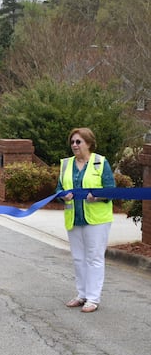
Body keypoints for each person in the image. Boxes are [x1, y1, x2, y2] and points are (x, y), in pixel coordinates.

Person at [56, 127, 115, 313]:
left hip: (96, 219)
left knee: (94, 258)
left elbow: (111, 189)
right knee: (78, 258)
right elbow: (58, 189)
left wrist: (96, 196)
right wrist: (62, 196)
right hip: (74, 218)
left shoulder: (100, 162)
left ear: (88, 143)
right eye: (72, 142)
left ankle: (93, 298)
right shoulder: (66, 164)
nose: (74, 145)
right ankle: (81, 295)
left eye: (78, 142)